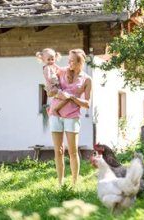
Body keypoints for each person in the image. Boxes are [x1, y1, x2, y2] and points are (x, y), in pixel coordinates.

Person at [47, 49, 92, 186]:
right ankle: (60, 183)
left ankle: (74, 183)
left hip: (72, 117)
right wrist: (57, 93)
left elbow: (87, 104)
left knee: (72, 151)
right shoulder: (62, 72)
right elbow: (50, 91)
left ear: (80, 62)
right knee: (58, 150)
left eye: (72, 61)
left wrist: (72, 97)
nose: (69, 63)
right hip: (55, 114)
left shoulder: (87, 79)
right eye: (69, 60)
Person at [36, 48, 68, 117]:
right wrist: (51, 85)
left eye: (52, 59)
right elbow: (48, 77)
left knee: (59, 98)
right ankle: (52, 110)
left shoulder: (53, 65)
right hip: (52, 86)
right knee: (65, 98)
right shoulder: (47, 67)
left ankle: (52, 108)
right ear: (43, 60)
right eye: (48, 59)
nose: (51, 61)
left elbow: (60, 69)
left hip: (56, 85)